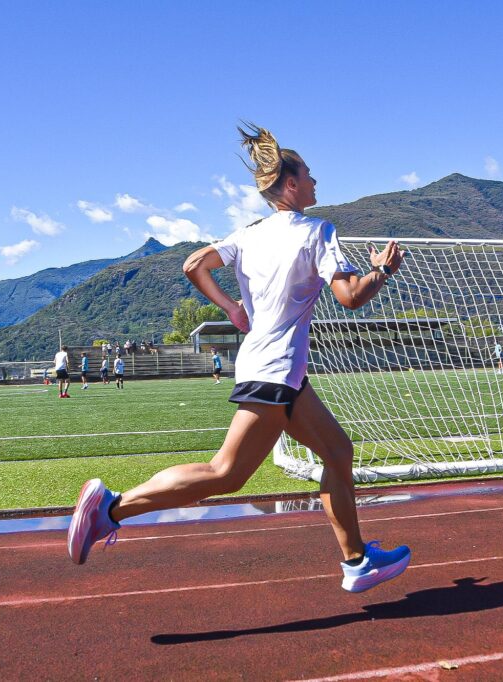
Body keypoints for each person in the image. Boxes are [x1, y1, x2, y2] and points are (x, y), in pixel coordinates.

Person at [68, 124, 410, 593]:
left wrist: (231, 307)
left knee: (337, 451)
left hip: (274, 370)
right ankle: (110, 509)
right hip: (276, 372)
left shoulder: (249, 234)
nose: (315, 182)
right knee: (225, 473)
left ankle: (356, 560)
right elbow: (350, 296)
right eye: (309, 175)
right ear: (290, 185)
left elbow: (193, 265)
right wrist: (381, 270)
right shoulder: (317, 231)